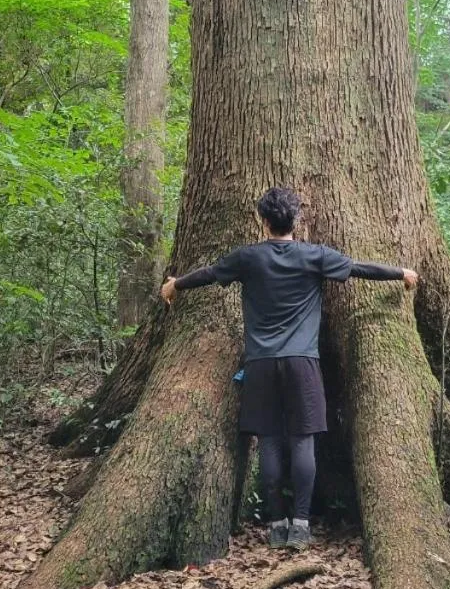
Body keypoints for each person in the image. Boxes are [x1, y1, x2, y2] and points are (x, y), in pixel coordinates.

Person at [159, 187, 418, 551]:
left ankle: (276, 524)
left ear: (263, 220)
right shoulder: (314, 256)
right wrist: (400, 273)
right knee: (301, 440)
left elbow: (208, 274)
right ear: (295, 220)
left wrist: (175, 284)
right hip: (302, 364)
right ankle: (300, 525)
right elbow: (359, 268)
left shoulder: (247, 258)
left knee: (268, 440)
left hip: (261, 364)